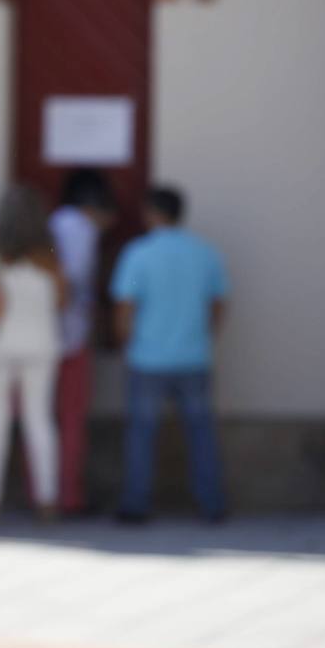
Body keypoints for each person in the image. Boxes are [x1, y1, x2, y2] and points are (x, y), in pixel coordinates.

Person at [110, 185, 229, 523]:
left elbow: (125, 307)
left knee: (141, 435)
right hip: (194, 356)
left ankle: (136, 505)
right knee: (201, 433)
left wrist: (124, 343)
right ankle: (212, 504)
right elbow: (219, 303)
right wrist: (207, 337)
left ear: (152, 213)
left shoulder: (138, 253)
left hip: (147, 358)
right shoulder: (206, 253)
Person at [0, 184, 64, 522]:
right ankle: (47, 500)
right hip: (41, 343)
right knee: (39, 420)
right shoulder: (50, 259)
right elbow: (61, 300)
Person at [49, 167, 115, 515]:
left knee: (44, 420)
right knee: (72, 421)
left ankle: (43, 494)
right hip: (73, 336)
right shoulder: (83, 230)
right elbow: (77, 282)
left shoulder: (53, 222)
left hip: (43, 334)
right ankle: (69, 497)